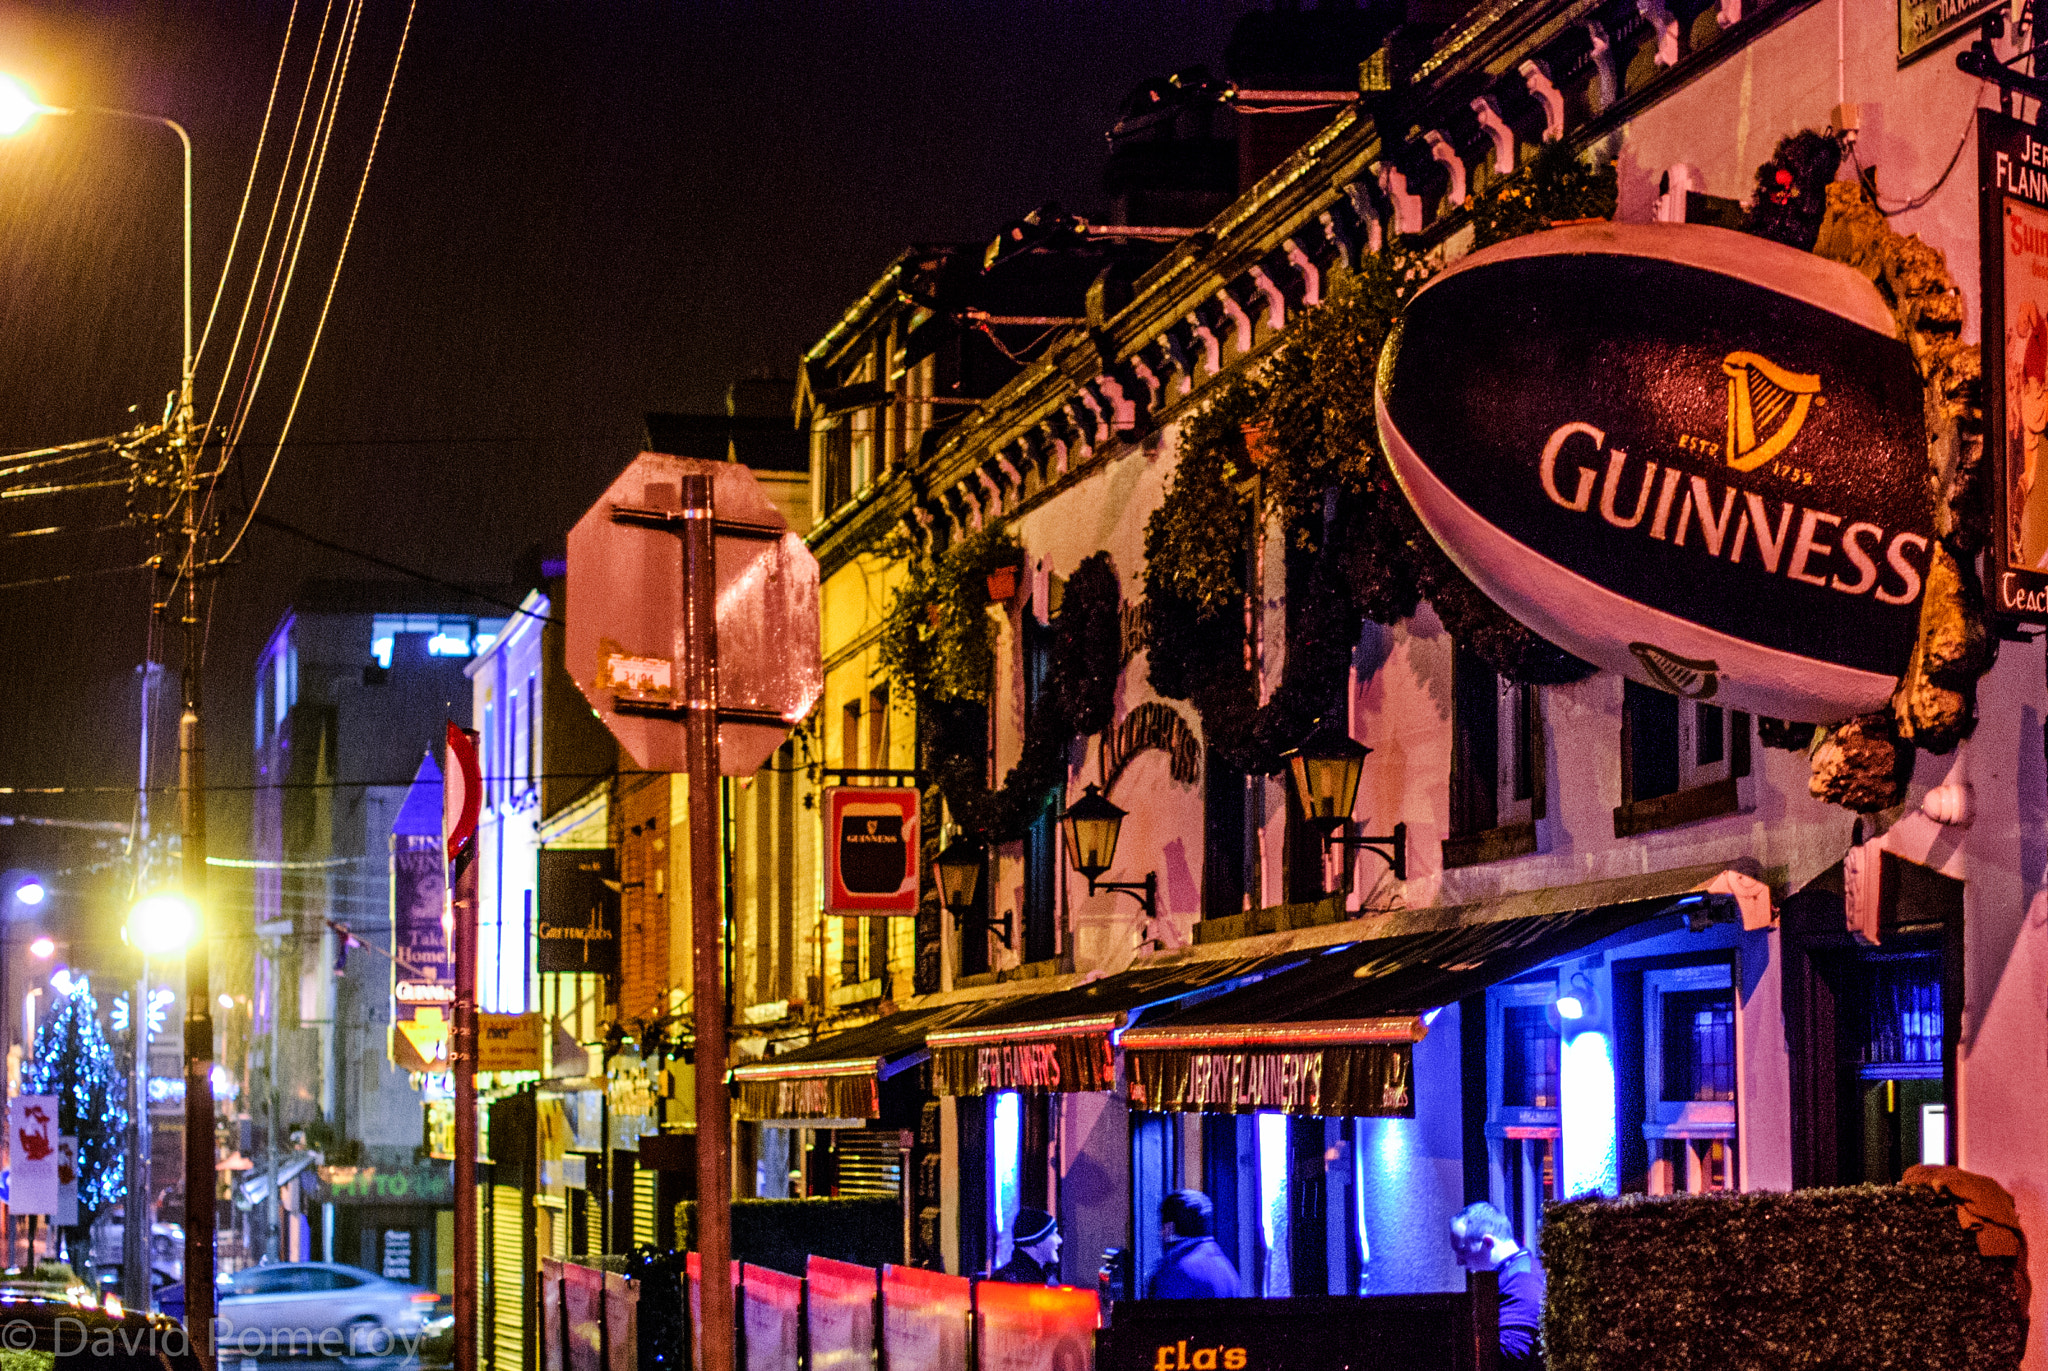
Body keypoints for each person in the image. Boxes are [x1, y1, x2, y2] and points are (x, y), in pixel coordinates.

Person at [1449, 1201, 1544, 1369]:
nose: (1459, 1261)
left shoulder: (1522, 1279)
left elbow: (1513, 1352)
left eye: (1463, 1250)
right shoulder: (1515, 1274)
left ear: (1487, 1242)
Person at [1147, 1189, 1240, 1299]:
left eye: (1162, 1228)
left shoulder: (1174, 1273)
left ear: (1169, 1228)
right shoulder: (1226, 1268)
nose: (1161, 1233)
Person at [991, 1206, 1061, 1285]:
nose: (1060, 1240)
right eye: (1053, 1234)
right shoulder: (1007, 1281)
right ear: (1036, 1240)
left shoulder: (1046, 1279)